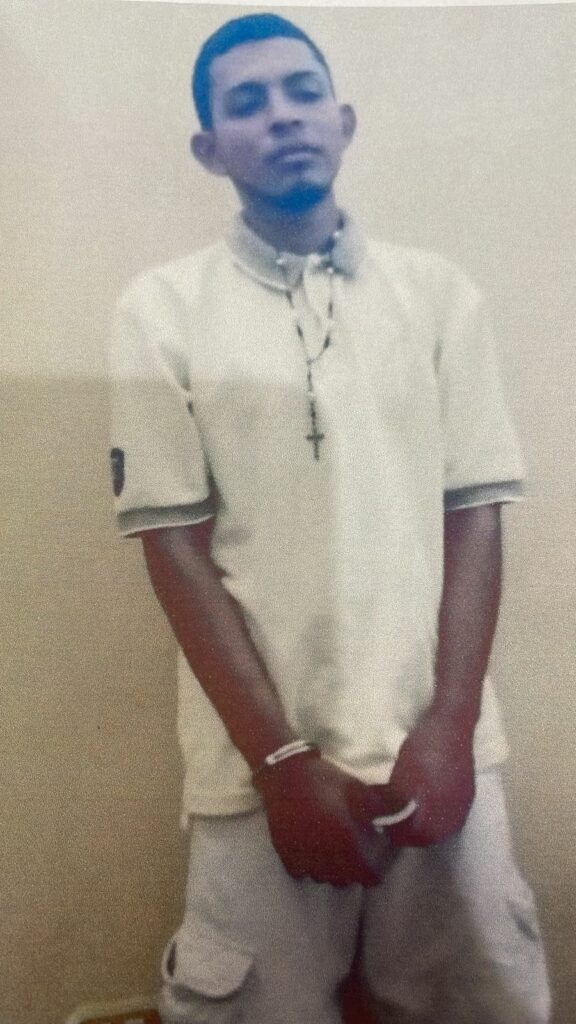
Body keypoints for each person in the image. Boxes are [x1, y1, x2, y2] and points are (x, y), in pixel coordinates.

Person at [109, 13, 551, 1024]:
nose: (282, 116)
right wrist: (280, 764)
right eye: (248, 102)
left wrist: (448, 727)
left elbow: (475, 515)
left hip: (441, 758)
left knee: (479, 1001)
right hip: (254, 772)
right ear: (210, 148)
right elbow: (173, 548)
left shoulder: (437, 295)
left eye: (302, 92)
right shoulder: (162, 309)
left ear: (343, 121)